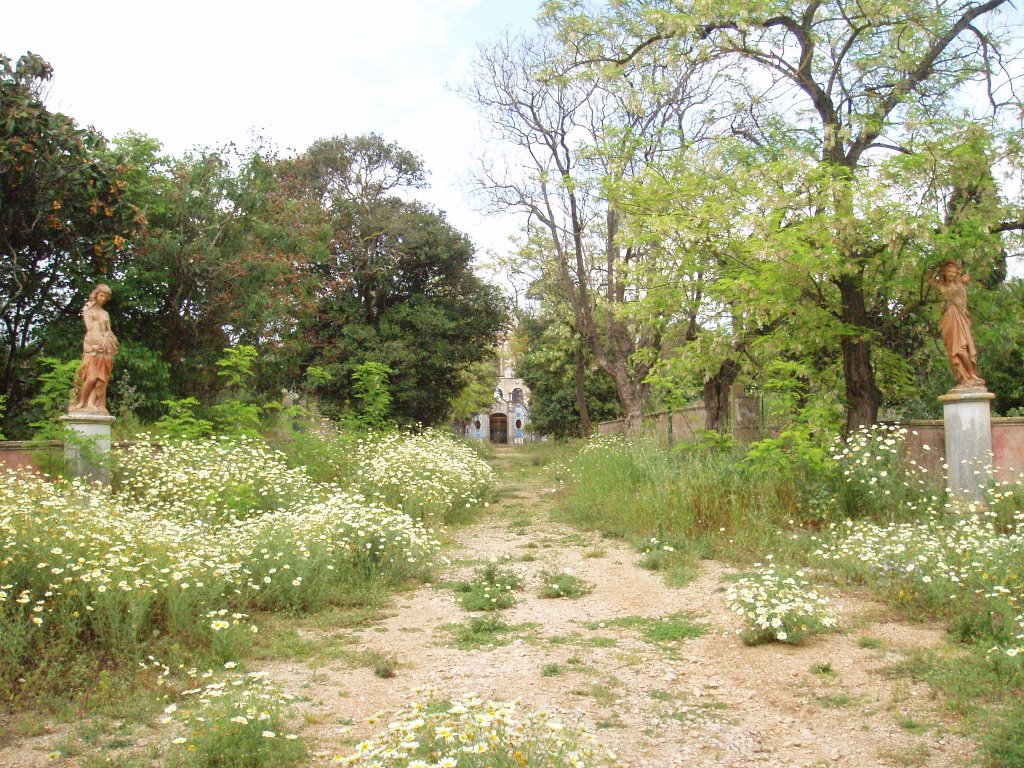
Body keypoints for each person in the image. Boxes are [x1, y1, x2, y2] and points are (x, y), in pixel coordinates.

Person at [927, 261, 985, 389]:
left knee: (961, 348)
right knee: (953, 349)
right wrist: (934, 264)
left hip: (960, 317)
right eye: (949, 272)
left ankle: (971, 375)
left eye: (954, 272)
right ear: (944, 273)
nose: (952, 274)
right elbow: (929, 279)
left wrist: (964, 280)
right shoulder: (942, 287)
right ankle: (963, 376)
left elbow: (964, 282)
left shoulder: (960, 283)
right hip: (949, 318)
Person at [70, 284, 119, 413]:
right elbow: (89, 328)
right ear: (96, 295)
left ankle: (92, 403)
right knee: (90, 377)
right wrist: (86, 311)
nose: (103, 298)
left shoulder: (105, 313)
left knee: (100, 380)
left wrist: (111, 342)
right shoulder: (89, 310)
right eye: (101, 295)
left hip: (105, 348)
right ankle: (81, 402)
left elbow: (109, 330)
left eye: (106, 297)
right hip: (92, 348)